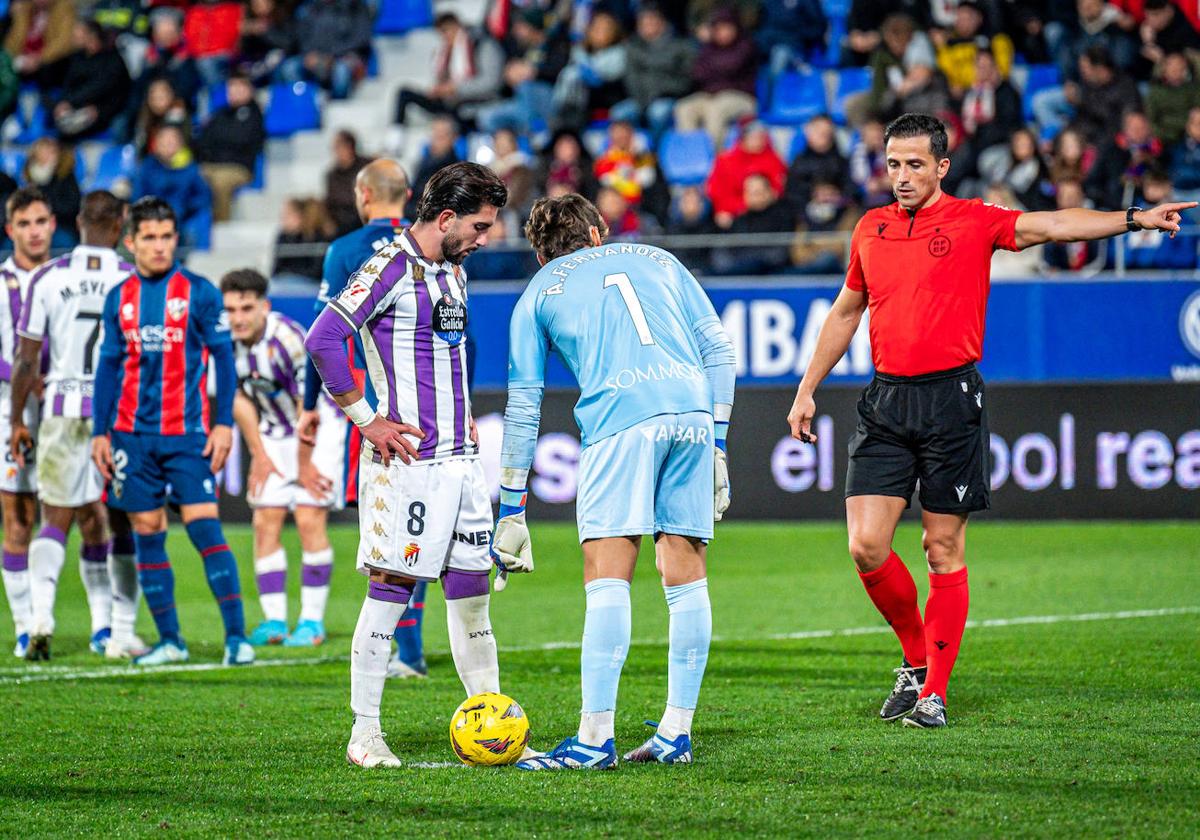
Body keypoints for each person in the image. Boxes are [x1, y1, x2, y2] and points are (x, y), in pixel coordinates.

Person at [785, 113, 1195, 729]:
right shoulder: (870, 228)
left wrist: (1134, 218)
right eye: (893, 164)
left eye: (915, 164)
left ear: (942, 166)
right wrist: (806, 388)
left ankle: (934, 695)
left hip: (951, 399)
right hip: (885, 399)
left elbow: (1053, 225)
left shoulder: (975, 219)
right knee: (867, 546)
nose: (901, 176)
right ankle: (916, 659)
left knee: (941, 547)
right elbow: (846, 311)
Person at [495, 193, 735, 770]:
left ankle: (593, 738)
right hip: (692, 413)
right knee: (685, 569)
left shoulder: (538, 292)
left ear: (540, 253)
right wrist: (720, 442)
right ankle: (677, 731)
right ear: (599, 231)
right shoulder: (658, 259)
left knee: (607, 572)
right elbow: (719, 350)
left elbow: (524, 406)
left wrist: (510, 507)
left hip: (621, 420)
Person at [304, 162, 510, 769]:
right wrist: (366, 418)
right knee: (391, 591)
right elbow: (323, 340)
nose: (484, 237)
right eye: (478, 226)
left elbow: (448, 354)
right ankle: (364, 734)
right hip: (410, 464)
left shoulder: (453, 269)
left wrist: (466, 413)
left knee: (472, 593)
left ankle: (490, 721)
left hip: (462, 461)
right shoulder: (388, 265)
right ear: (445, 218)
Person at [91, 197, 252, 667]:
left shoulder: (199, 292)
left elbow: (224, 357)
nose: (160, 246)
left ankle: (237, 638)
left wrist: (222, 424)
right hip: (130, 437)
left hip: (186, 435)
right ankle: (170, 641)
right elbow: (108, 366)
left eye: (167, 237)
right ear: (131, 242)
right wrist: (100, 433)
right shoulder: (118, 298)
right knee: (146, 529)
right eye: (150, 238)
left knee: (205, 528)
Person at [298, 159, 430, 679]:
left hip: (377, 412)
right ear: (409, 194)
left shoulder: (346, 251)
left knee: (386, 536)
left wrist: (311, 405)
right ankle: (413, 649)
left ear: (362, 194)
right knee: (422, 528)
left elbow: (325, 334)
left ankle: (405, 652)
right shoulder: (429, 246)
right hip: (431, 409)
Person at [9, 190, 144, 661]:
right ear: (122, 223)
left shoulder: (47, 277)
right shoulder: (132, 277)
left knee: (56, 518)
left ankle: (40, 618)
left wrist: (15, 423)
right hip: (117, 414)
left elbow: (26, 360)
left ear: (78, 222)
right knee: (111, 521)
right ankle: (110, 629)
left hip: (63, 409)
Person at [220, 269, 340, 647]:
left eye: (246, 308)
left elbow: (311, 405)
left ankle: (311, 623)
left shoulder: (288, 340)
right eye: (231, 309)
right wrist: (258, 454)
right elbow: (238, 398)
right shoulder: (226, 342)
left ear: (264, 307)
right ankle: (274, 622)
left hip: (319, 428)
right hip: (274, 431)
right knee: (265, 521)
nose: (238, 317)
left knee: (307, 518)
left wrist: (304, 466)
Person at [0, 188, 55, 659]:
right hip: (8, 409)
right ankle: (25, 625)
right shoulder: (0, 284)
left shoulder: (68, 278)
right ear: (10, 230)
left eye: (40, 221)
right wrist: (23, 378)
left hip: (61, 407)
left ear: (53, 225)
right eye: (24, 224)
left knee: (82, 516)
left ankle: (102, 627)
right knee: (17, 518)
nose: (34, 231)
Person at [392, 12, 504, 130]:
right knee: (405, 94)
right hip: (450, 104)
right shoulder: (443, 53)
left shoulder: (482, 45)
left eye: (447, 31)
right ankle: (395, 139)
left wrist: (456, 88)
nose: (445, 37)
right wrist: (439, 90)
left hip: (475, 104)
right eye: (441, 33)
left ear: (457, 26)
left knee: (457, 117)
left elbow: (491, 83)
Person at [673, 8, 758, 149]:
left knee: (715, 110)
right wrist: (715, 68)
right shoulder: (707, 48)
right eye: (718, 29)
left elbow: (731, 66)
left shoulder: (746, 45)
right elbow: (697, 73)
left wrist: (712, 67)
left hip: (742, 97)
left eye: (727, 28)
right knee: (683, 108)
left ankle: (714, 158)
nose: (723, 33)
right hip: (710, 96)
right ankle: (694, 157)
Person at [195, 72, 265, 222]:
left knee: (220, 181)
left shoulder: (256, 115)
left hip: (238, 168)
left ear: (250, 90)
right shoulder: (220, 114)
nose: (234, 91)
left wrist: (220, 141)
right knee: (189, 175)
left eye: (239, 87)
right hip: (211, 164)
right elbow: (204, 141)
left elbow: (242, 140)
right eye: (231, 87)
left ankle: (220, 227)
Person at [51, 20, 132, 141]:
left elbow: (102, 89)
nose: (73, 36)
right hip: (78, 108)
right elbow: (68, 85)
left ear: (92, 35)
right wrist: (64, 102)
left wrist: (98, 110)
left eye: (78, 33)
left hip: (107, 112)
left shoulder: (112, 60)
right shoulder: (77, 58)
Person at [133, 125, 213, 247]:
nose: (168, 146)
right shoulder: (147, 167)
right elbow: (138, 195)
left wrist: (186, 207)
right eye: (164, 142)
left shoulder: (190, 167)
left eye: (172, 142)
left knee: (202, 218)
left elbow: (204, 196)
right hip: (152, 217)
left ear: (180, 145)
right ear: (156, 145)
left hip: (182, 218)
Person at [278, 0, 373, 100]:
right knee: (289, 68)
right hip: (312, 57)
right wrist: (308, 54)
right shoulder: (307, 8)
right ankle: (303, 103)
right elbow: (299, 38)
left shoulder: (355, 7)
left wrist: (333, 57)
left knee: (341, 72)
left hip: (343, 57)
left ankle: (338, 105)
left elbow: (361, 39)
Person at [325, 130, 372, 237]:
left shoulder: (367, 167)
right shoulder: (332, 174)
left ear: (350, 146)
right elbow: (330, 203)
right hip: (342, 222)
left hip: (365, 217)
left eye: (339, 147)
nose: (336, 152)